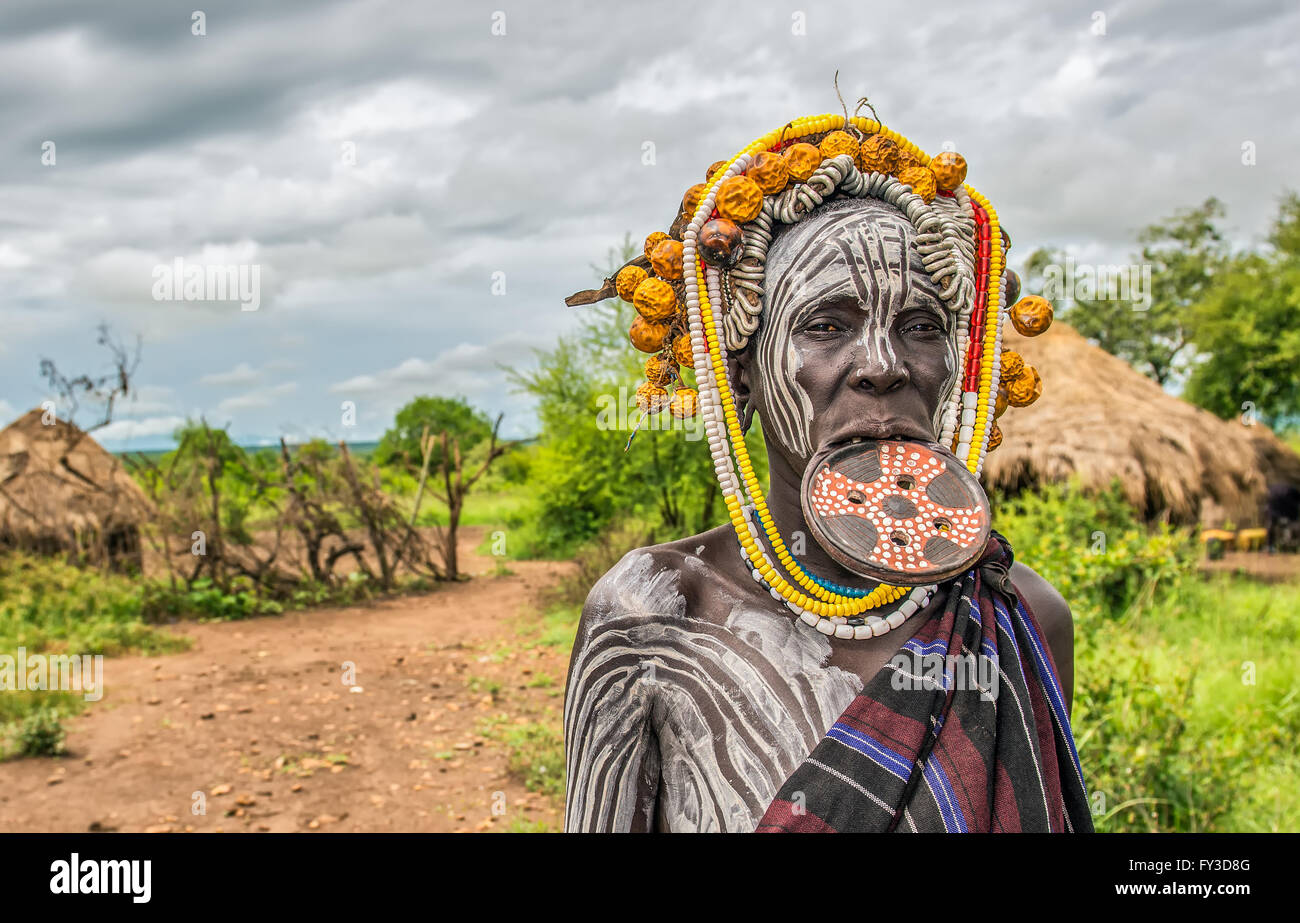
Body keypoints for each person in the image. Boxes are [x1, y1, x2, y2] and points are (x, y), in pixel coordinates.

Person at [562, 111, 1091, 832]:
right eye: (826, 325)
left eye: (923, 326)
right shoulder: (651, 616)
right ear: (739, 369)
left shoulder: (1024, 617)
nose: (884, 363)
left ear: (959, 370)